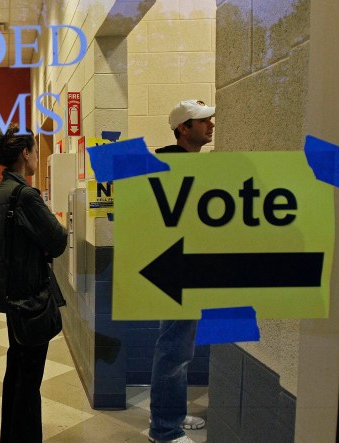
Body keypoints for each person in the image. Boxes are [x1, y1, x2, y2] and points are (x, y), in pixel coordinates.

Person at [0, 123, 67, 442]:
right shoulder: (24, 194)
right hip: (29, 297)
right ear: (25, 153)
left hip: (11, 294)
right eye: (35, 151)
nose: (36, 158)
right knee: (29, 380)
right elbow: (57, 241)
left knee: (16, 373)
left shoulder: (1, 192)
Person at [148, 99, 215, 443]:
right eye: (203, 121)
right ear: (183, 129)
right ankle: (164, 429)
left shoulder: (198, 167)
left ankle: (171, 413)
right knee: (174, 347)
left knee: (180, 348)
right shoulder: (163, 165)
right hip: (175, 268)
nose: (211, 125)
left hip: (192, 266)